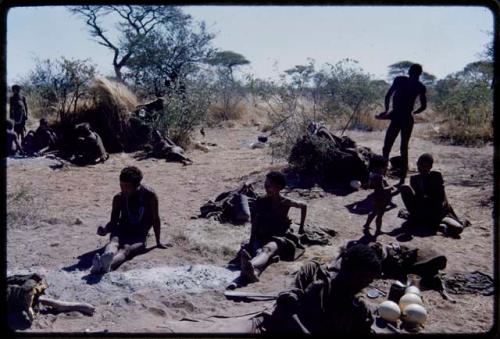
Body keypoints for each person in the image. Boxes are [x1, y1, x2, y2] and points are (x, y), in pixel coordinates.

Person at [253, 244, 381, 334]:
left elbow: (363, 328)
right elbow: (285, 307)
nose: (364, 285)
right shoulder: (313, 272)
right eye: (361, 278)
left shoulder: (357, 304)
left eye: (368, 281)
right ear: (347, 268)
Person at [91, 166, 168, 274]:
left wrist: (158, 241)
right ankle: (106, 258)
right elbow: (113, 222)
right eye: (121, 185)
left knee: (126, 250)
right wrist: (105, 230)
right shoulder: (118, 198)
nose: (123, 189)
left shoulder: (149, 196)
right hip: (121, 230)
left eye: (127, 186)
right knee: (114, 242)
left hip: (139, 235)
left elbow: (156, 218)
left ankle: (107, 266)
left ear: (137, 185)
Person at [238, 171, 307, 284]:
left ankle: (250, 265)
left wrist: (301, 228)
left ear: (279, 187)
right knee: (258, 250)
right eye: (265, 185)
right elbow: (255, 222)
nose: (266, 188)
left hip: (278, 237)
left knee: (267, 250)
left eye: (269, 185)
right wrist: (251, 240)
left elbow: (304, 206)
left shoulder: (285, 202)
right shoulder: (261, 201)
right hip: (261, 235)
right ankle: (254, 273)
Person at [378, 64, 427, 185]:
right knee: (403, 147)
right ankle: (402, 177)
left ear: (410, 71)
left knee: (387, 146)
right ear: (420, 74)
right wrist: (412, 112)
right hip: (406, 118)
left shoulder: (400, 80)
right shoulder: (420, 86)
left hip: (397, 116)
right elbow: (423, 106)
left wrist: (386, 110)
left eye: (411, 71)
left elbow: (389, 94)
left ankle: (383, 174)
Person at [399, 153, 464, 236]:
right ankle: (424, 222)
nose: (423, 168)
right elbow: (417, 198)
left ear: (430, 167)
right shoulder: (414, 179)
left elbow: (439, 200)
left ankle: (435, 225)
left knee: (458, 228)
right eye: (421, 165)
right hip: (421, 211)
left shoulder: (435, 176)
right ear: (417, 164)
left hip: (437, 214)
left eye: (426, 166)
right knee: (404, 188)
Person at [363, 155, 398, 236]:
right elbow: (381, 189)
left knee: (374, 212)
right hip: (381, 198)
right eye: (385, 167)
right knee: (379, 215)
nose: (386, 169)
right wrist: (390, 187)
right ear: (380, 167)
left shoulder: (373, 174)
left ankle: (367, 224)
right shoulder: (379, 177)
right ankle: (378, 230)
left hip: (376, 198)